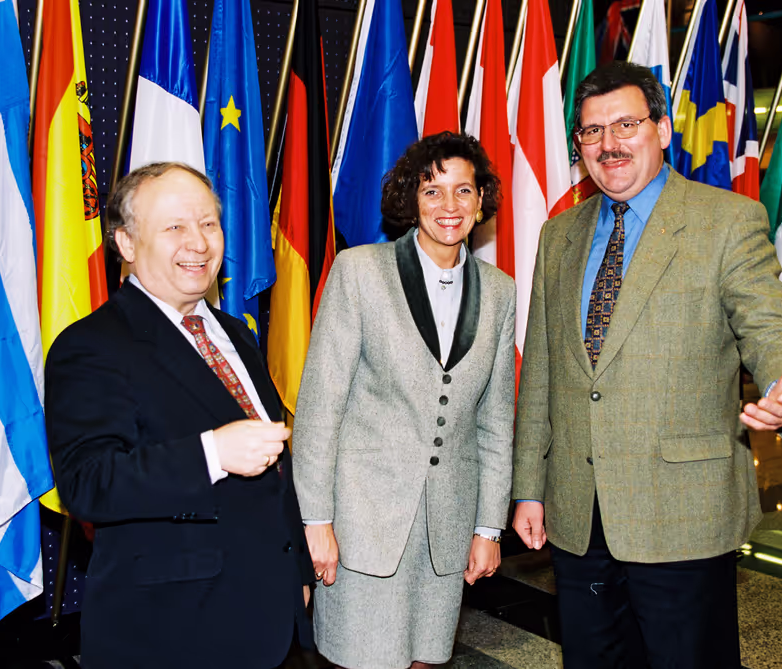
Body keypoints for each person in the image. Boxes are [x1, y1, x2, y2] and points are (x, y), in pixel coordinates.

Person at [511, 62, 782, 669]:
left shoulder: (726, 221)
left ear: (662, 126)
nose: (608, 144)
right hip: (578, 513)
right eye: (591, 132)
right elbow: (544, 373)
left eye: (625, 124)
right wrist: (528, 488)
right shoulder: (559, 234)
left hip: (681, 511)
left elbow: (769, 323)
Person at [45, 162, 313, 668]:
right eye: (174, 227)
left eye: (208, 223)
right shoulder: (90, 346)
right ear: (125, 244)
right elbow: (89, 483)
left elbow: (278, 470)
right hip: (169, 630)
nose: (198, 242)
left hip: (267, 619)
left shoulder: (236, 334)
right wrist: (212, 452)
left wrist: (293, 568)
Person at [293, 132, 515, 669]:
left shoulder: (502, 290)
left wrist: (488, 527)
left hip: (448, 526)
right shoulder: (359, 272)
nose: (449, 206)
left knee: (426, 661)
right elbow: (321, 408)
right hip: (362, 524)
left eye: (464, 191)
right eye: (432, 191)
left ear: (481, 199)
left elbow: (495, 420)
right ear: (410, 199)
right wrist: (315, 521)